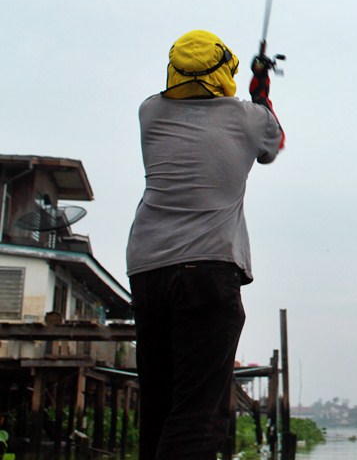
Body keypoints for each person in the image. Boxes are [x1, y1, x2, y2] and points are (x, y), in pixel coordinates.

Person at [125, 29, 284, 459]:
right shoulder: (249, 119)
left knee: (158, 403)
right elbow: (274, 144)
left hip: (147, 271)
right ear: (224, 75)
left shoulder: (150, 113)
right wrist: (261, 88)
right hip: (208, 272)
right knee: (199, 411)